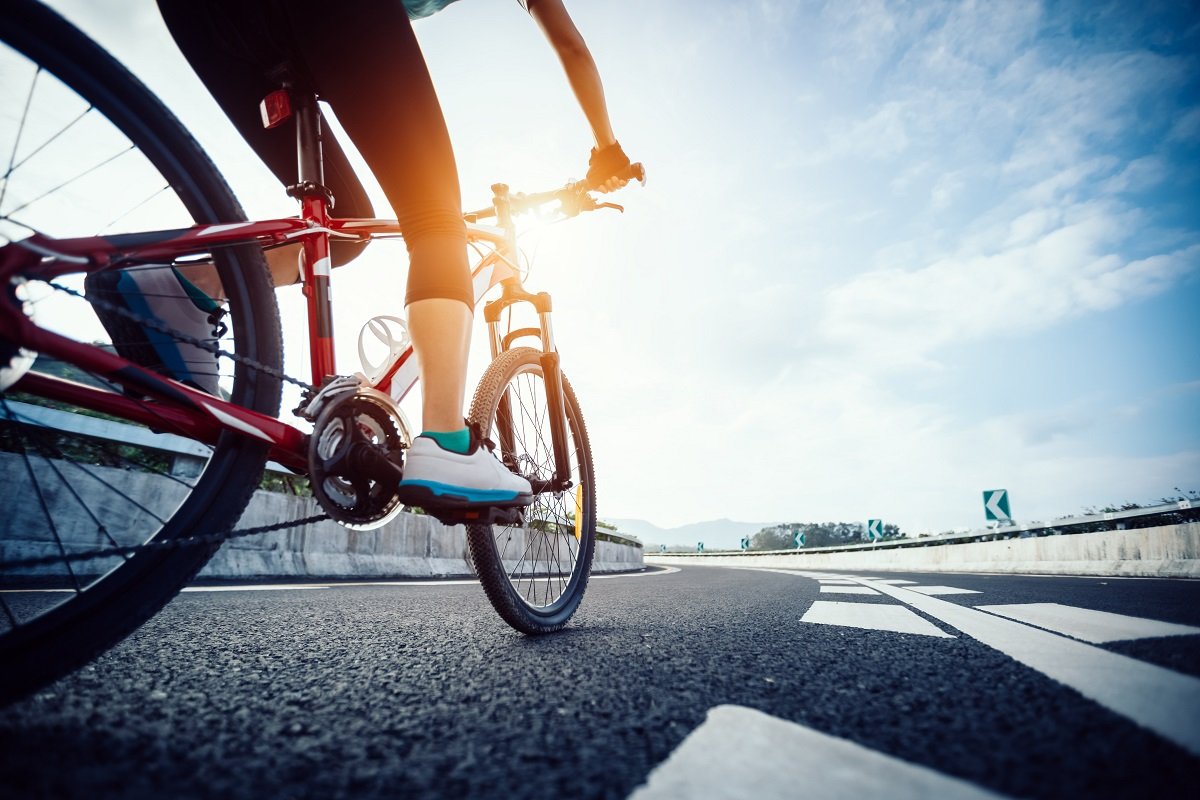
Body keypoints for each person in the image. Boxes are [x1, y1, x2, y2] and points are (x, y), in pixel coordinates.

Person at [86, 0, 632, 510]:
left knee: (343, 228)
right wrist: (607, 150)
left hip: (205, 17)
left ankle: (184, 289)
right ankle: (447, 443)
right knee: (434, 215)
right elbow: (570, 47)